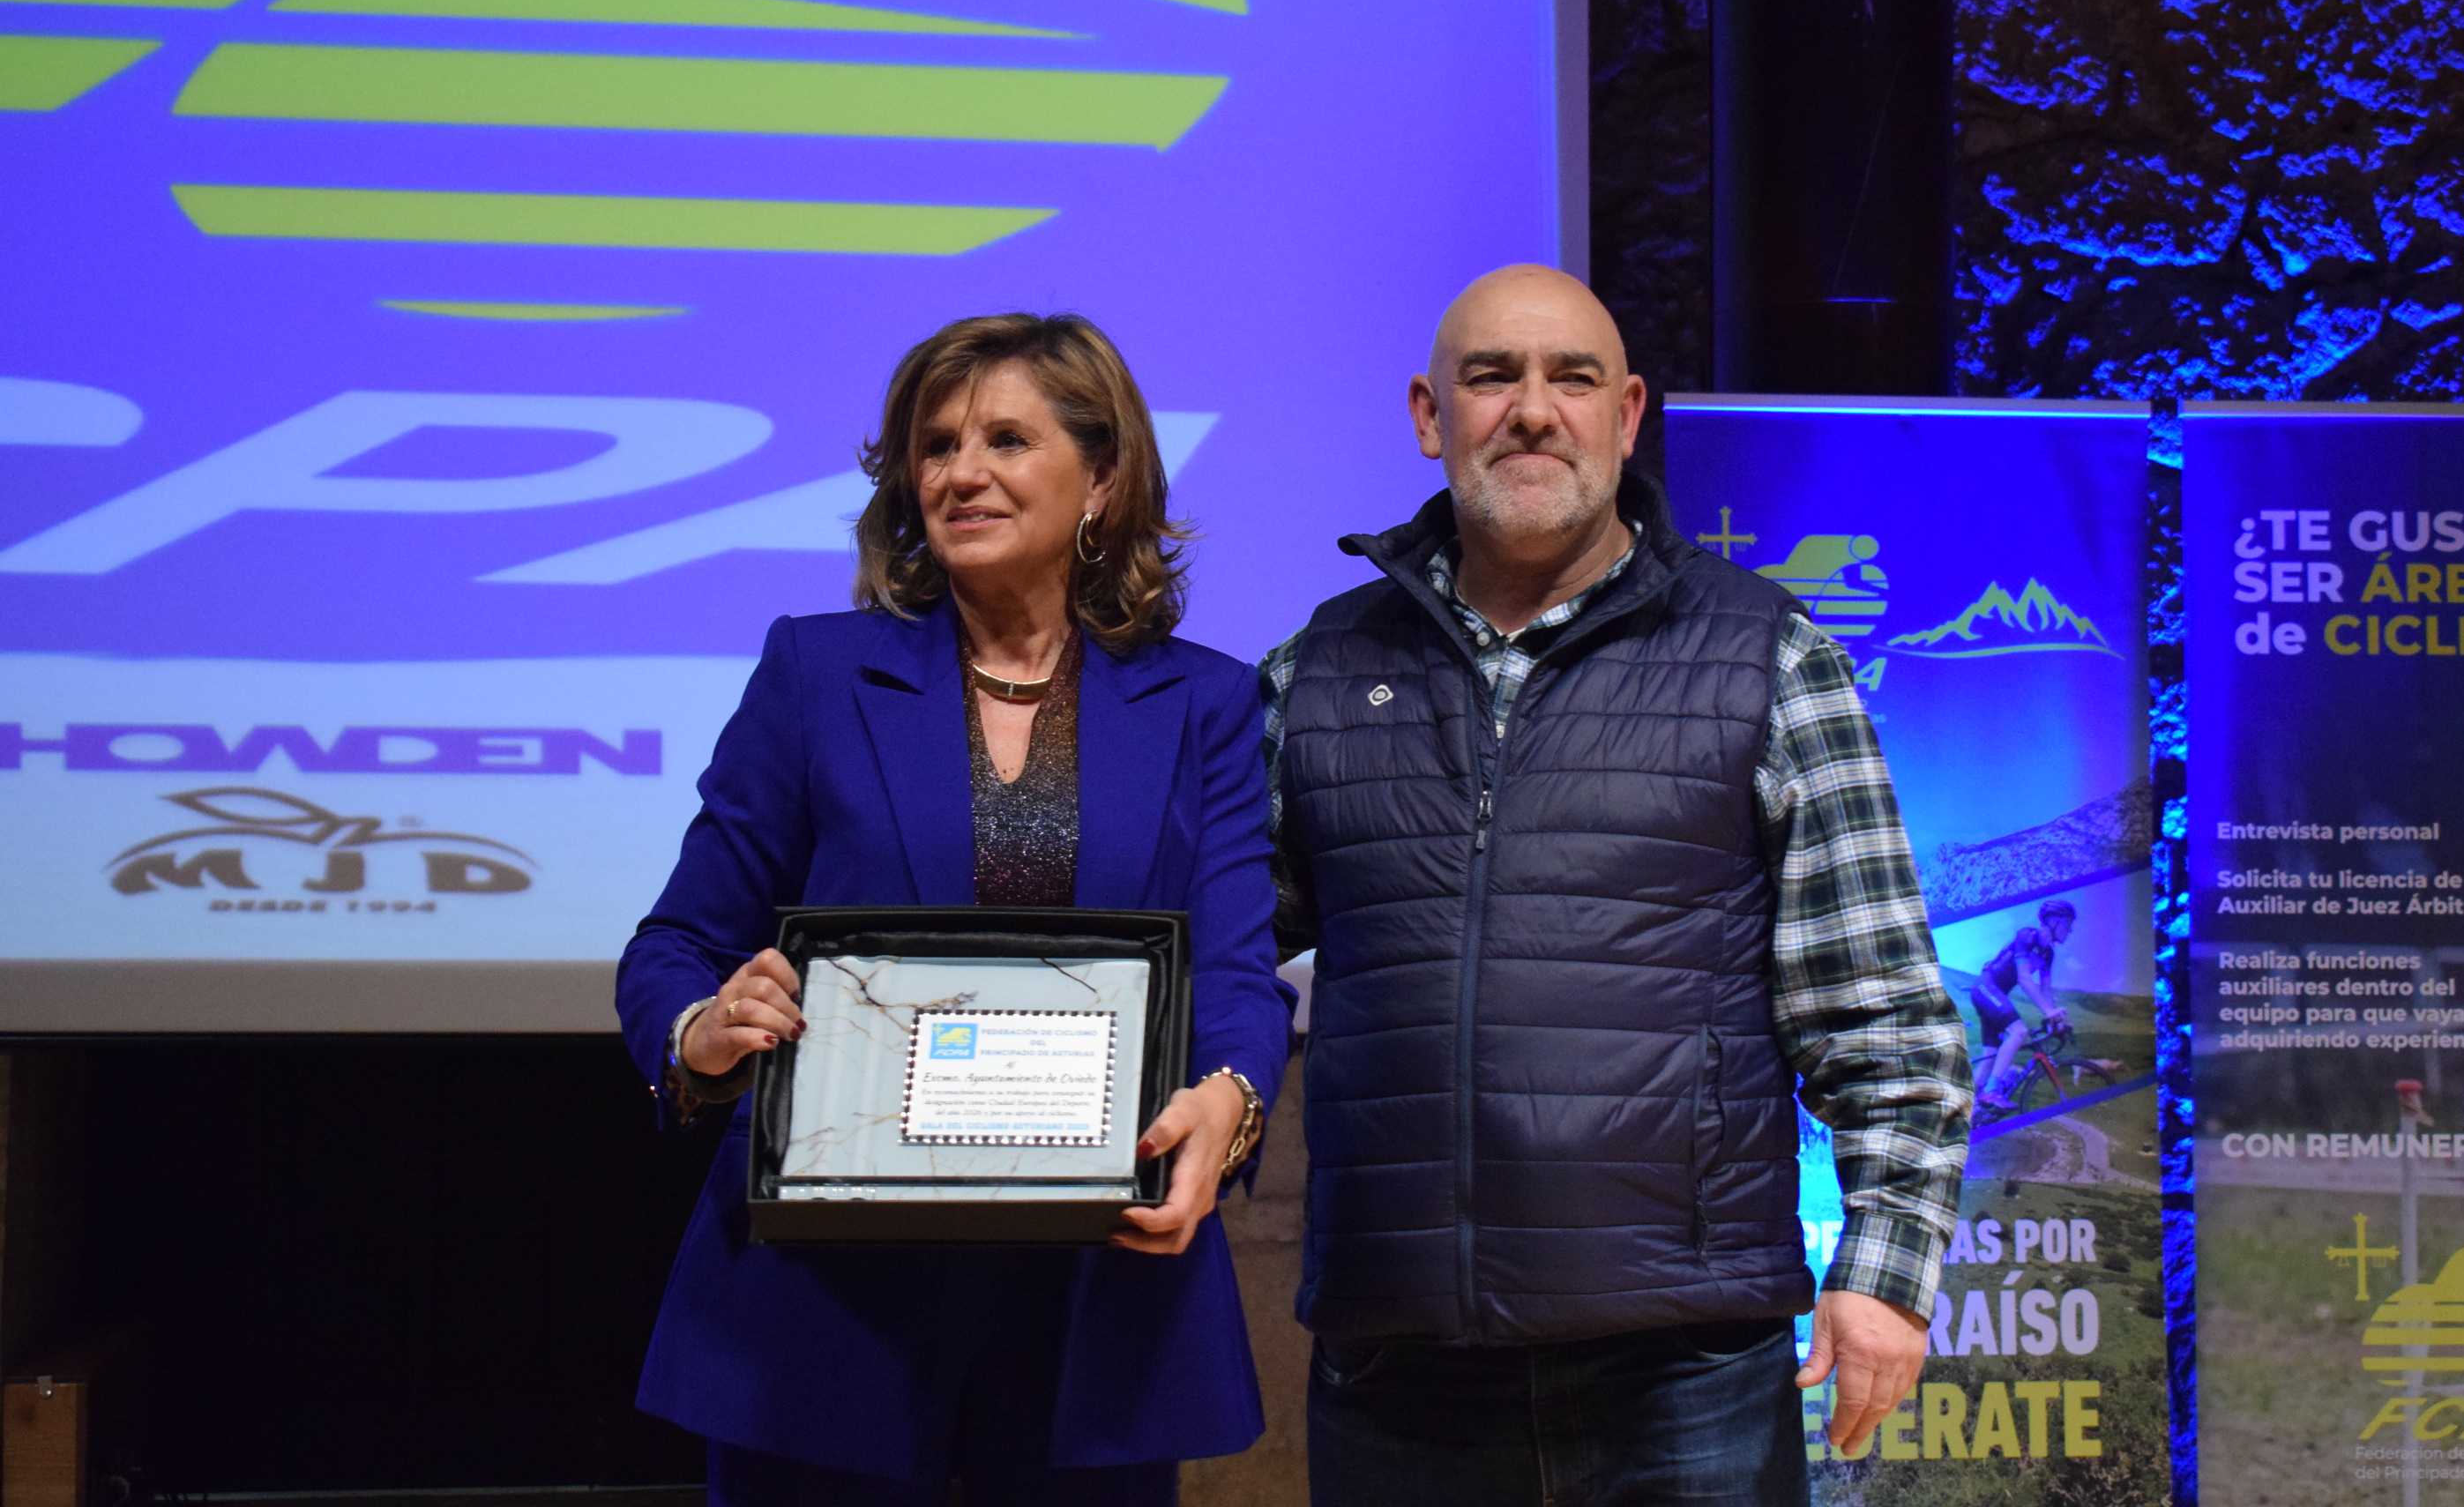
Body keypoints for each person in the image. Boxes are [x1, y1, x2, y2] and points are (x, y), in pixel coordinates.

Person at [1261, 264, 1972, 1503]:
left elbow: (1883, 1011)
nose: (1532, 409)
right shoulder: (1314, 675)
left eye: (1571, 378)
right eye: (1492, 377)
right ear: (1430, 417)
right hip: (1401, 1365)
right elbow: (1210, 966)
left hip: (1682, 1372)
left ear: (1627, 414)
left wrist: (1885, 1275)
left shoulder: (1766, 658)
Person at [616, 313, 1291, 1506]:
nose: (958, 472)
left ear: (1105, 476)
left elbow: (1236, 972)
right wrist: (701, 1031)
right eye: (935, 444)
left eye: (1006, 440)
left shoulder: (1206, 706)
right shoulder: (815, 675)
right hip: (821, 1320)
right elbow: (676, 945)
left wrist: (1228, 1104)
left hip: (1096, 1312)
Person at [1972, 899, 2076, 1117]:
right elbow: (2025, 978)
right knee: (2019, 1031)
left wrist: (2057, 1019)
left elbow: (2046, 989)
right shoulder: (2027, 936)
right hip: (1986, 987)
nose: (2070, 930)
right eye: (2068, 924)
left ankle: (1969, 1110)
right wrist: (2048, 1012)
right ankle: (1991, 1092)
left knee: (1990, 1057)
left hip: (1993, 995)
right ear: (2054, 922)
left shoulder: (2048, 954)